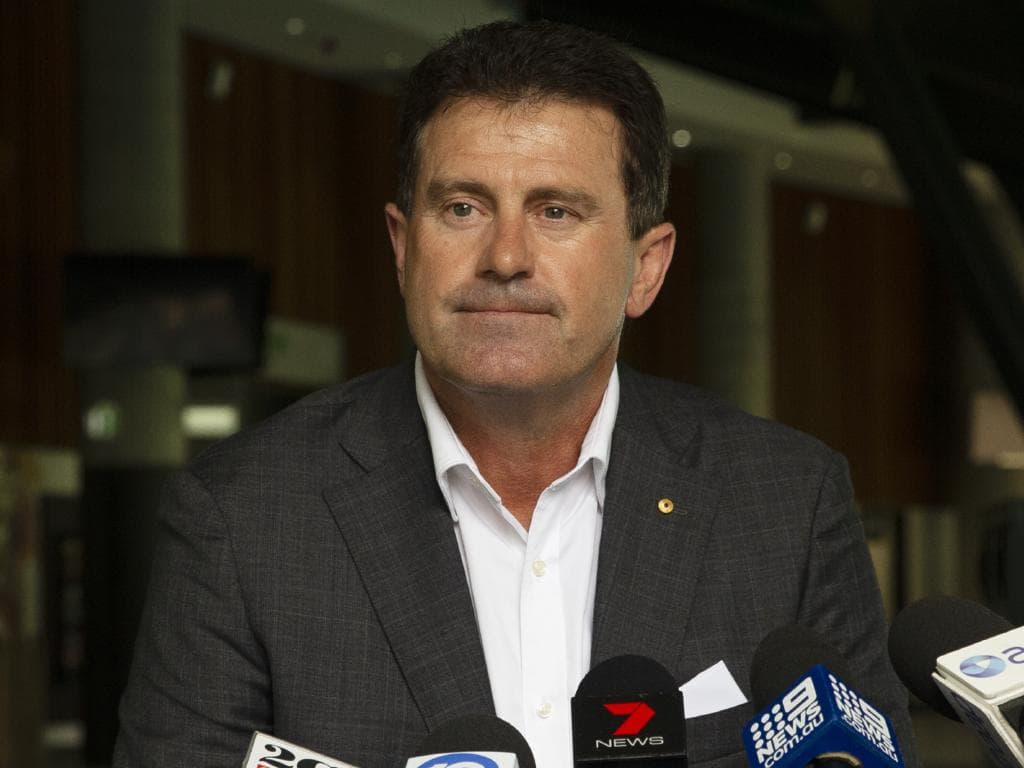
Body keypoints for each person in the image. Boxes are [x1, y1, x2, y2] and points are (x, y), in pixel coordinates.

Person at [114, 19, 916, 768]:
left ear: (647, 266)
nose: (504, 256)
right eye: (462, 208)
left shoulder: (787, 503)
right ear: (403, 248)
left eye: (556, 211)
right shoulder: (244, 518)